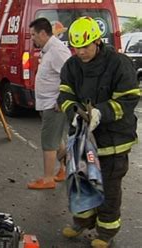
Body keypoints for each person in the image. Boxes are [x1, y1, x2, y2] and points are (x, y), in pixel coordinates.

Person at [58, 16, 140, 247]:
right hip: (83, 138)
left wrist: (99, 113)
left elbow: (128, 99)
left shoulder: (119, 63)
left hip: (114, 139)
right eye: (76, 47)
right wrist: (74, 112)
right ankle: (83, 220)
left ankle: (106, 231)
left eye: (85, 46)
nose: (81, 52)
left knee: (109, 185)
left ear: (97, 41)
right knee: (79, 180)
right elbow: (64, 94)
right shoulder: (71, 66)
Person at [27, 18, 71, 190]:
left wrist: (60, 100)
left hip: (54, 104)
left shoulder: (57, 51)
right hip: (46, 103)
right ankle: (66, 168)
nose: (32, 39)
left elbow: (70, 77)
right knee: (55, 139)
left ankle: (47, 179)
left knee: (49, 141)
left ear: (43, 33)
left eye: (33, 35)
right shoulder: (48, 49)